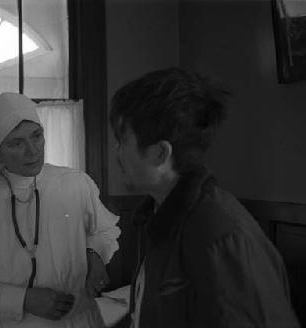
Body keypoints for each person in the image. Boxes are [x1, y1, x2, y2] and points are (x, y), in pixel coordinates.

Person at [109, 67, 300, 328]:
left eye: (122, 140)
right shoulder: (162, 218)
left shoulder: (219, 235)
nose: (116, 151)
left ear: (159, 154)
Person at [0, 92, 121, 327]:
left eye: (36, 136)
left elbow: (104, 231)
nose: (33, 151)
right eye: (16, 143)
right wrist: (23, 300)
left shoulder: (75, 183)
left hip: (80, 320)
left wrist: (94, 256)